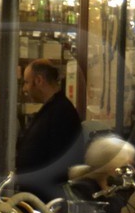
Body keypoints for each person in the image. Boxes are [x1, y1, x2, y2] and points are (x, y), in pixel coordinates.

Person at [15, 58, 84, 203]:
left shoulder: (61, 112)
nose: (24, 89)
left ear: (39, 80)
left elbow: (60, 161)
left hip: (46, 199)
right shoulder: (53, 108)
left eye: (27, 82)